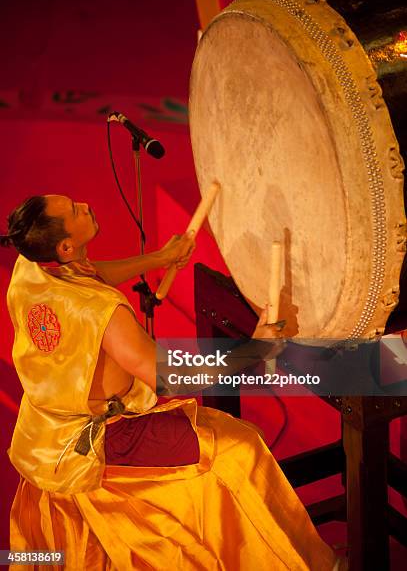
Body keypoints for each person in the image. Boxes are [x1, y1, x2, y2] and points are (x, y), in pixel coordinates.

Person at [1, 194, 344, 571]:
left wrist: (159, 259)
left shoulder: (30, 268)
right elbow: (174, 375)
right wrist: (257, 348)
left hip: (45, 434)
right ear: (65, 245)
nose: (85, 204)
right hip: (102, 437)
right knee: (238, 447)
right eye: (74, 211)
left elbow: (88, 272)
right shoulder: (104, 314)